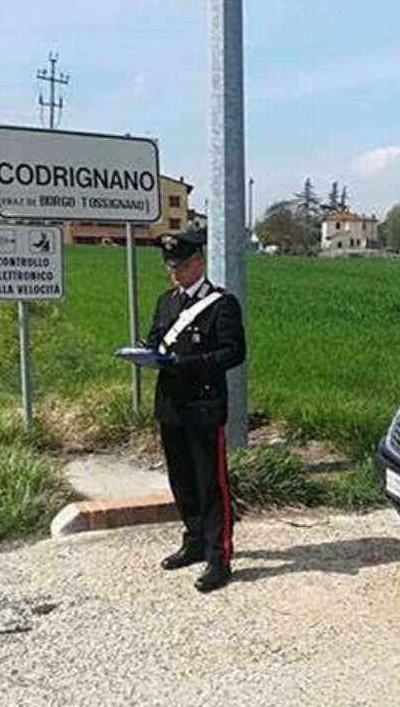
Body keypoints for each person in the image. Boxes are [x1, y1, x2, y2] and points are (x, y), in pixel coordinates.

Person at [143, 229, 246, 592]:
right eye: (171, 266)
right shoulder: (167, 301)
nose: (175, 272)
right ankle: (195, 540)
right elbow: (156, 337)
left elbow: (234, 353)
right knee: (181, 480)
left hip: (203, 404)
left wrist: (191, 363)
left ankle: (220, 557)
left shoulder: (222, 304)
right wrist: (147, 350)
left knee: (210, 484)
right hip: (170, 404)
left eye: (183, 265)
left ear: (199, 262)